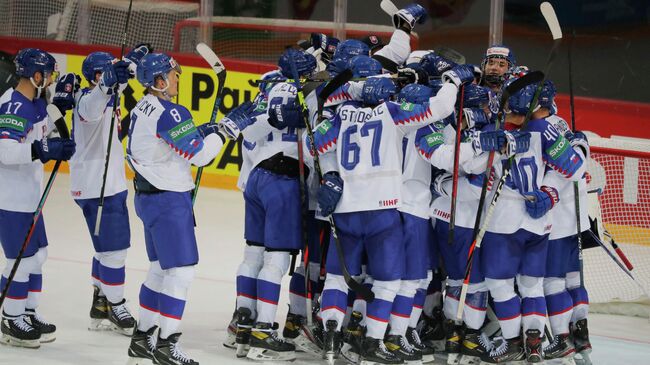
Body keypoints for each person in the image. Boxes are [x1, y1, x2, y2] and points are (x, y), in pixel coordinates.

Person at [313, 63, 473, 364]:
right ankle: (374, 342)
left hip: (345, 209)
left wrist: (331, 173)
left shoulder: (342, 113)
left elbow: (315, 144)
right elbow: (439, 108)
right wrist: (452, 81)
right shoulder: (393, 113)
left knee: (336, 278)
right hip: (383, 211)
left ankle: (332, 340)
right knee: (388, 281)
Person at [125, 52, 226, 365]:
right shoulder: (169, 111)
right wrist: (224, 131)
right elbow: (198, 156)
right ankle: (166, 345)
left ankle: (142, 339)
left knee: (159, 269)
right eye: (174, 74)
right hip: (168, 201)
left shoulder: (142, 107)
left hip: (148, 198)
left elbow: (170, 141)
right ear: (159, 81)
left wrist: (202, 129)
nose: (178, 78)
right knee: (180, 274)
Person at [478, 80, 586, 364]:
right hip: (538, 222)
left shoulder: (494, 129)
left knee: (500, 285)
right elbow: (574, 167)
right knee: (532, 286)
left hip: (503, 220)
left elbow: (473, 170)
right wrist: (548, 193)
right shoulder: (546, 129)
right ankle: (535, 344)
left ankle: (514, 342)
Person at [66, 45, 150, 335]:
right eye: (106, 73)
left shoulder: (107, 90)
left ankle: (100, 303)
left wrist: (132, 61)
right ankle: (117, 305)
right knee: (115, 250)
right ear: (97, 76)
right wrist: (108, 81)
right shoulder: (88, 98)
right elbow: (93, 106)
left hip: (99, 184)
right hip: (98, 186)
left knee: (104, 249)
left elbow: (120, 78)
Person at [0, 48, 75, 348]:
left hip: (30, 196)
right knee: (22, 260)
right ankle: (11, 317)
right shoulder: (12, 106)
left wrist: (59, 141)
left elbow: (44, 139)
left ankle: (27, 312)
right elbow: (5, 151)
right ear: (34, 74)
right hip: (11, 198)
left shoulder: (36, 103)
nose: (51, 78)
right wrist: (42, 151)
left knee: (38, 255)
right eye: (48, 73)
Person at [533, 80, 592, 364]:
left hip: (556, 219)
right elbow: (579, 161)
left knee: (551, 283)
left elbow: (564, 170)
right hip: (576, 219)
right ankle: (581, 336)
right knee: (573, 280)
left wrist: (547, 191)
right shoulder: (562, 125)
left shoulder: (541, 130)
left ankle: (561, 340)